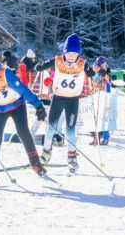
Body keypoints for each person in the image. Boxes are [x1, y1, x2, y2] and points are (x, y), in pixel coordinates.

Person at [0, 53, 48, 188]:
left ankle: (36, 163)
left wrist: (38, 105)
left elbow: (23, 90)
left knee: (23, 132)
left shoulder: (5, 73)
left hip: (16, 105)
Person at [34, 33, 98, 174]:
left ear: (78, 54)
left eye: (74, 53)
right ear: (65, 51)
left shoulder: (82, 63)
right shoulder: (57, 60)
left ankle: (72, 158)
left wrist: (94, 73)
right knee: (51, 128)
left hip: (72, 100)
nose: (71, 56)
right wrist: (39, 67)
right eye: (69, 52)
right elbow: (44, 65)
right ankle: (46, 152)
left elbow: (92, 74)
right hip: (57, 98)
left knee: (70, 131)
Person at [88, 57, 111, 145]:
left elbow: (107, 82)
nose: (105, 66)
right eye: (104, 64)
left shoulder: (104, 71)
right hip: (96, 95)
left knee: (104, 117)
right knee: (96, 118)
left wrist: (106, 77)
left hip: (103, 95)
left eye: (106, 64)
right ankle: (96, 138)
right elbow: (94, 82)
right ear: (100, 64)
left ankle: (104, 137)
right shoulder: (95, 70)